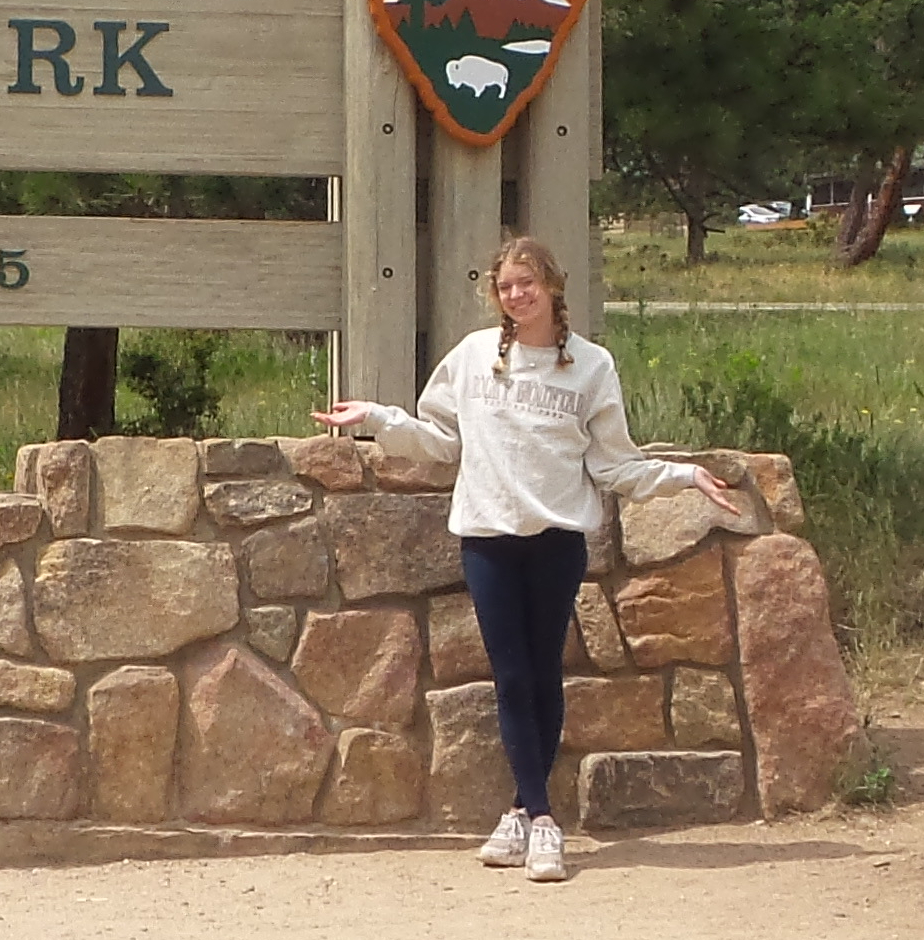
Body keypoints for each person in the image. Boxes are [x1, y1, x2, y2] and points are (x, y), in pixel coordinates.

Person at [313, 235, 742, 883]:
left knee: (543, 675)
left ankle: (524, 813)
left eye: (527, 284)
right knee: (511, 678)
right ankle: (541, 817)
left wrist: (682, 477)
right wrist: (377, 416)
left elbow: (614, 464)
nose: (516, 296)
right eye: (506, 287)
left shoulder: (591, 368)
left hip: (556, 544)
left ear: (553, 288)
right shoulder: (474, 357)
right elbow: (440, 441)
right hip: (488, 540)